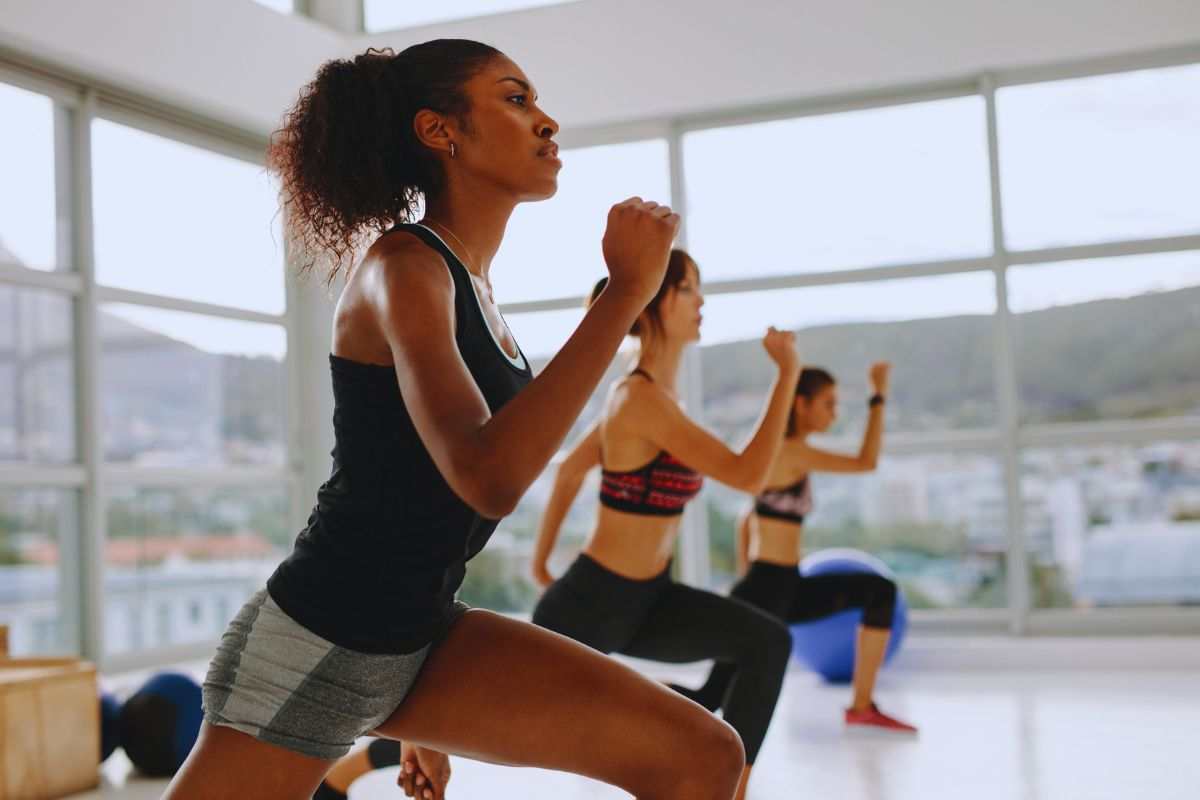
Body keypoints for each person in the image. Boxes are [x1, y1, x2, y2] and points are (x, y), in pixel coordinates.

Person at [164, 40, 748, 800]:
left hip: (419, 635)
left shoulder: (470, 284)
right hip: (318, 639)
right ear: (442, 132)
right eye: (516, 99)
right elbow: (487, 475)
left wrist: (421, 716)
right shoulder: (402, 268)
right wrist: (623, 297)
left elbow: (429, 497)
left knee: (704, 754)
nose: (547, 122)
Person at [531, 251, 800, 800]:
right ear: (657, 300)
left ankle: (732, 791)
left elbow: (572, 471)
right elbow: (749, 475)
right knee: (480, 720)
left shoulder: (655, 401)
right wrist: (788, 375)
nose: (702, 302)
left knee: (764, 643)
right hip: (592, 602)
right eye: (689, 290)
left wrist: (543, 558)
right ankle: (345, 775)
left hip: (649, 601)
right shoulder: (638, 399)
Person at [675, 363, 918, 734]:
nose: (834, 413)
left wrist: (747, 575)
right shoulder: (790, 452)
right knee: (708, 699)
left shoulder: (791, 454)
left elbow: (746, 517)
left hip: (782, 584)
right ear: (801, 404)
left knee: (879, 593)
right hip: (768, 587)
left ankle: (861, 706)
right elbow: (865, 462)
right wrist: (877, 396)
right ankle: (625, 699)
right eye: (828, 404)